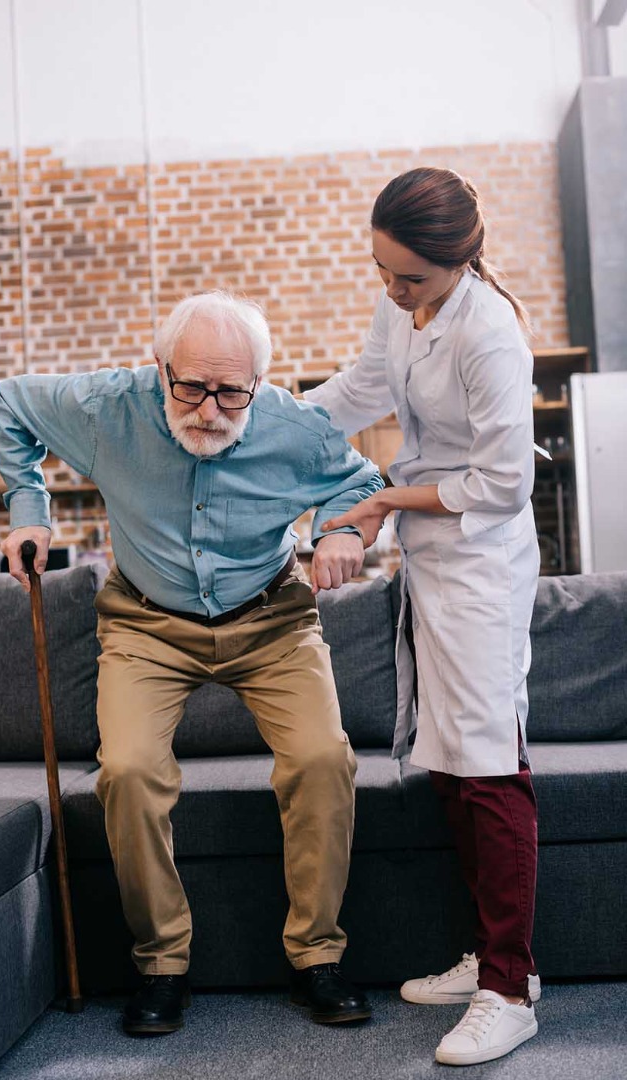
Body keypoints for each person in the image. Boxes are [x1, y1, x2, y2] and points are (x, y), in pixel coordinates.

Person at [0, 291, 381, 1035]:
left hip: (271, 618)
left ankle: (317, 956)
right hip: (147, 624)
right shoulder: (107, 408)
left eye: (231, 392)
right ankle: (161, 964)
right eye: (191, 386)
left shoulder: (295, 430)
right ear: (160, 365)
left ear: (260, 382)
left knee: (322, 759)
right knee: (128, 771)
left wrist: (342, 533)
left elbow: (362, 484)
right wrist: (27, 510)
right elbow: (11, 402)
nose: (208, 410)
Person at [304, 167, 542, 1067]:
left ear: (459, 260)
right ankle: (492, 957)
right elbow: (358, 389)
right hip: (432, 557)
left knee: (488, 764)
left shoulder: (490, 335)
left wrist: (379, 501)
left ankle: (509, 991)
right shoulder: (401, 308)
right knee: (448, 758)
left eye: (410, 277)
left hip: (482, 561)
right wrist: (262, 419)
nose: (392, 289)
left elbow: (503, 483)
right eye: (381, 269)